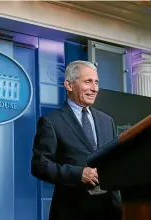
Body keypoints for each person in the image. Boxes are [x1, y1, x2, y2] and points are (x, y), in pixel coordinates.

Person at [31, 60, 122, 220]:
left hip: (110, 210)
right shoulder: (51, 121)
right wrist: (78, 174)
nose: (94, 89)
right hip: (72, 211)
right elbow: (40, 165)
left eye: (96, 82)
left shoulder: (107, 121)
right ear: (69, 85)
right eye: (88, 82)